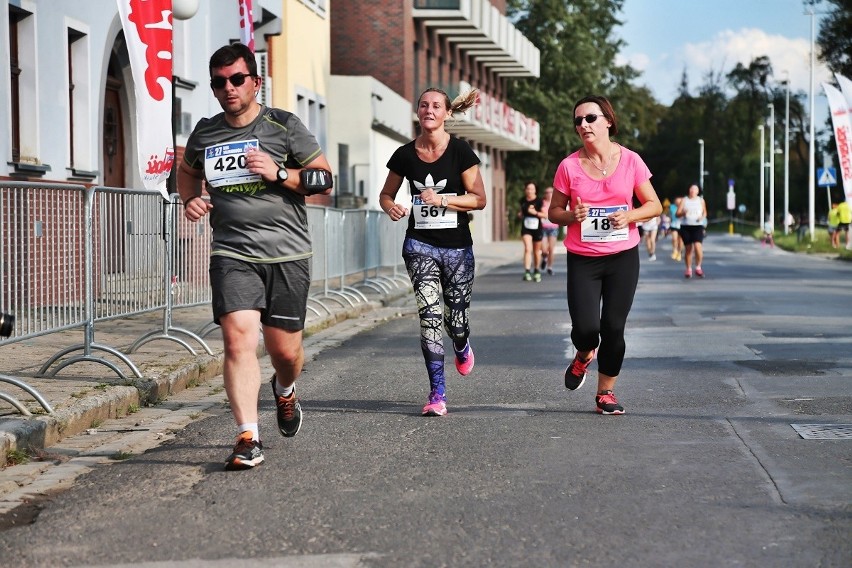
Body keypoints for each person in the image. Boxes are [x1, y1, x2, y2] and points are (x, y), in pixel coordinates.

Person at [178, 43, 333, 470]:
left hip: (287, 254)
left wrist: (280, 172)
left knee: (285, 354)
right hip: (232, 252)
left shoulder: (283, 126)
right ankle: (248, 435)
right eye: (219, 82)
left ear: (255, 82)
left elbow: (323, 177)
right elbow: (187, 170)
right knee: (238, 338)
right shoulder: (206, 133)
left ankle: (285, 390)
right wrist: (189, 198)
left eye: (236, 79)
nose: (228, 88)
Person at [548, 95, 662, 415]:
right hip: (583, 257)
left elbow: (654, 205)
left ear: (607, 121)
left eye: (590, 118)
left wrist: (630, 216)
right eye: (578, 121)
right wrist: (572, 216)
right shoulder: (569, 166)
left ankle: (605, 393)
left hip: (622, 256)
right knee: (586, 330)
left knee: (613, 326)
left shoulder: (631, 161)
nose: (583, 124)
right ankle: (584, 355)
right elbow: (554, 212)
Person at [379, 87, 487, 417]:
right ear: (418, 111)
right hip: (419, 245)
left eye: (436, 105)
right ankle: (437, 392)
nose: (428, 109)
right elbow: (386, 194)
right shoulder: (404, 154)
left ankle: (461, 342)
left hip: (457, 247)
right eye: (423, 104)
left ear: (446, 114)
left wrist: (442, 200)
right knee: (429, 317)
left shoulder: (461, 152)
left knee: (455, 319)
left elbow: (479, 199)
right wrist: (391, 208)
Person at [676, 184, 708, 278]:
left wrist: (702, 217)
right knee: (688, 249)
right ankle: (688, 269)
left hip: (697, 226)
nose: (693, 191)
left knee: (698, 247)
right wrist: (683, 213)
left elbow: (705, 212)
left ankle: (698, 267)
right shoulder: (684, 200)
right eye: (691, 189)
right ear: (689, 190)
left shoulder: (701, 200)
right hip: (686, 226)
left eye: (695, 189)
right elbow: (677, 214)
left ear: (698, 191)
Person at [518, 182, 545, 281]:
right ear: (525, 190)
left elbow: (545, 215)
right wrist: (520, 215)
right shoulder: (522, 200)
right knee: (527, 249)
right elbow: (521, 212)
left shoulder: (539, 201)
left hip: (537, 228)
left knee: (536, 251)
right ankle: (527, 271)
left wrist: (535, 212)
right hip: (526, 227)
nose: (529, 191)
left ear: (535, 190)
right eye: (528, 189)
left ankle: (537, 270)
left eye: (532, 189)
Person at [540, 186, 560, 275]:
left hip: (553, 228)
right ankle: (544, 258)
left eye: (551, 192)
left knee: (551, 249)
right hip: (543, 227)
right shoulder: (541, 203)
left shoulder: (556, 203)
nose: (549, 194)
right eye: (547, 192)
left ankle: (550, 267)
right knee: (544, 250)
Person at [669, 197, 683, 261]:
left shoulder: (684, 207)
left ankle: (679, 253)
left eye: (679, 202)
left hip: (682, 225)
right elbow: (670, 215)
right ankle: (675, 250)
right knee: (674, 239)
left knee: (680, 240)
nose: (678, 203)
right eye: (677, 202)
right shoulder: (672, 207)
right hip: (674, 225)